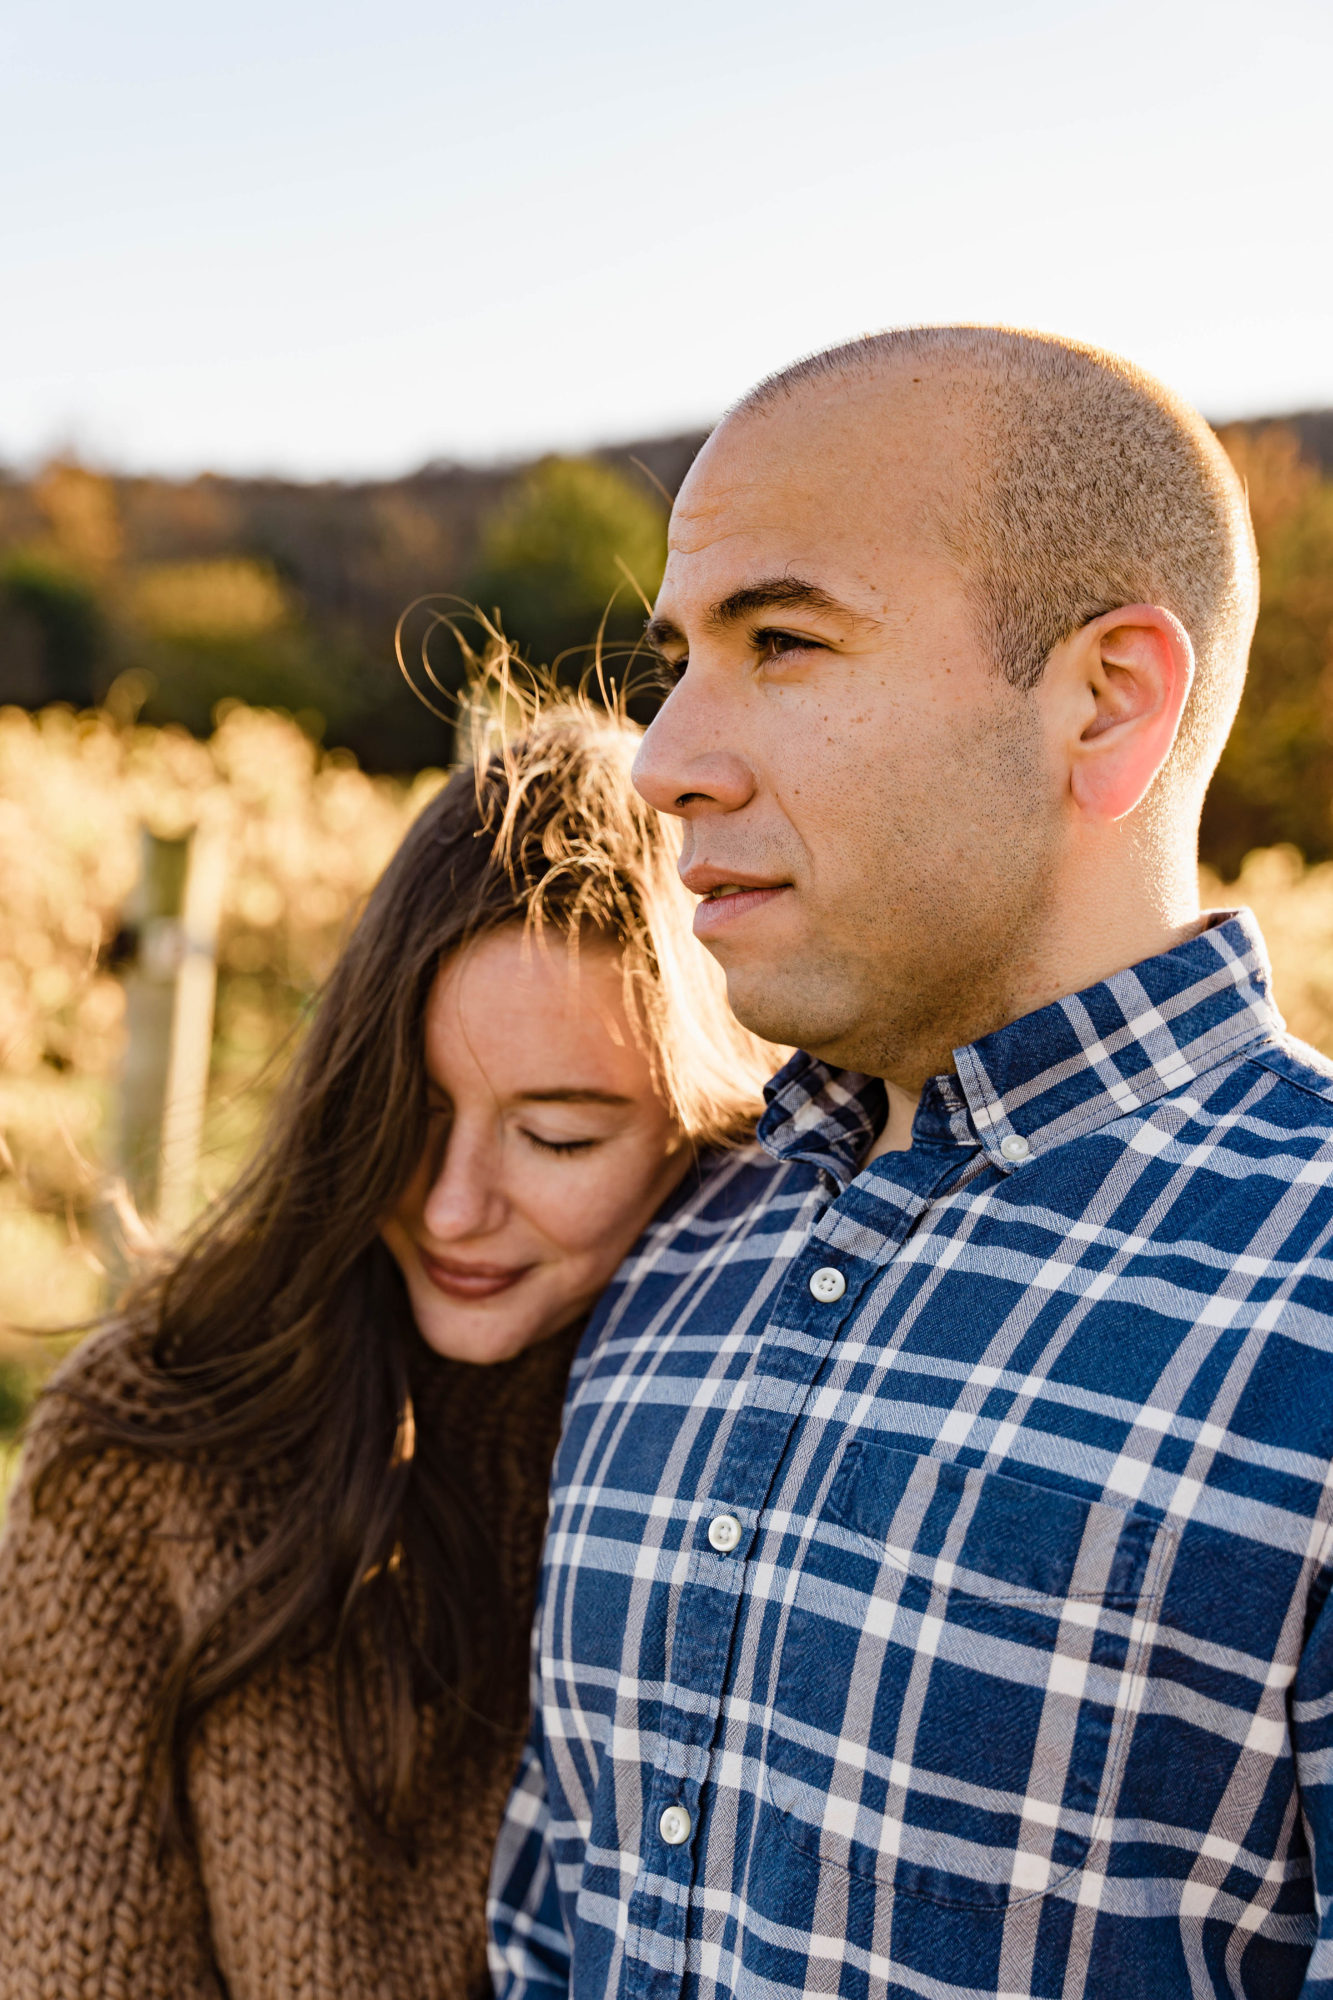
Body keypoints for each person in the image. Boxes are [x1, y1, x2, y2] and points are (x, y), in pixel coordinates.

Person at [489, 328, 1333, 2000]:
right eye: (679, 658)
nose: (659, 761)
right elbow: (549, 1915)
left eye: (782, 641)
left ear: (1106, 702)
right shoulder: (676, 1233)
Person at [0, 687, 772, 2000]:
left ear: (701, 1128)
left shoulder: (761, 1446)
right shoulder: (149, 1441)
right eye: (403, 1110)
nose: (454, 1203)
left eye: (557, 1136)